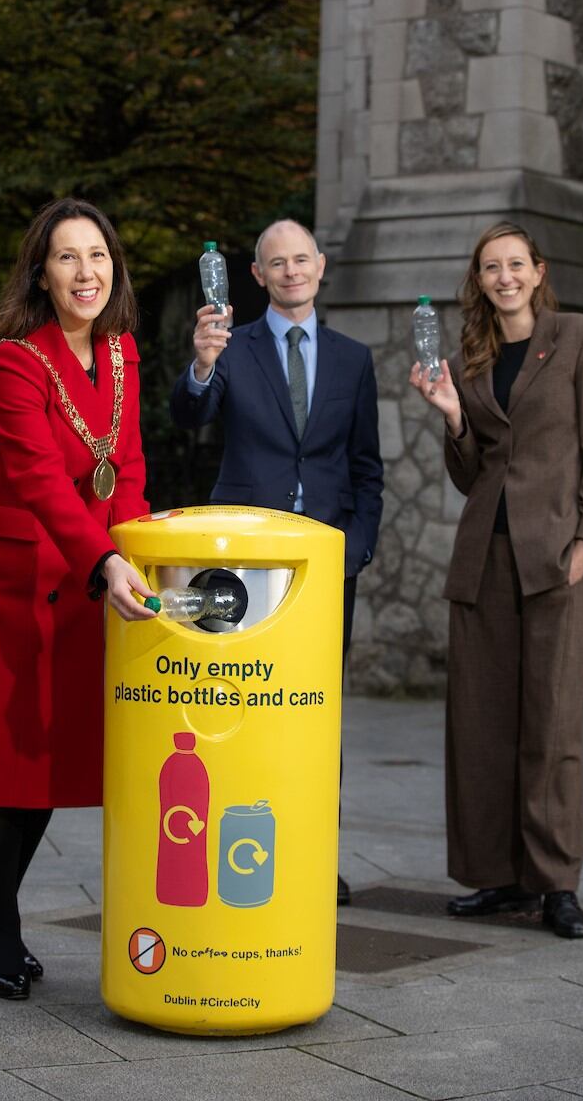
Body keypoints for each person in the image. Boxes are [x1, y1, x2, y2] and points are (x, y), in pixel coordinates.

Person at [0, 198, 158, 999]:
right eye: (67, 258)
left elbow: (130, 472)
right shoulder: (14, 361)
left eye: (97, 256)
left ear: (113, 267)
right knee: (8, 754)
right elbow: (44, 483)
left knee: (58, 751)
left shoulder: (122, 355)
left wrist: (142, 551)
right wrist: (107, 561)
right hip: (2, 578)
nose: (86, 272)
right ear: (40, 275)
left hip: (83, 571)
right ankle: (3, 921)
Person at [409, 220, 583, 939]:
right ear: (480, 279)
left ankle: (556, 883)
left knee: (552, 725)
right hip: (484, 559)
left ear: (538, 271)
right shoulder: (470, 360)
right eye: (490, 267)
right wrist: (451, 420)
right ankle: (498, 878)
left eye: (515, 265)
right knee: (481, 724)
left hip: (558, 557)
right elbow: (471, 475)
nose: (504, 277)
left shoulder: (581, 338)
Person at [169, 218, 384, 907]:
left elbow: (366, 469)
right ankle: (235, 843)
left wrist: (354, 550)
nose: (291, 271)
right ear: (256, 276)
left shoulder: (354, 360)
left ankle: (315, 854)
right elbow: (189, 415)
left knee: (319, 712)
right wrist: (202, 364)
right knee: (243, 701)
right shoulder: (231, 346)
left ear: (319, 266)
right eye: (275, 263)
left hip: (325, 568)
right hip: (243, 563)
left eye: (301, 259)